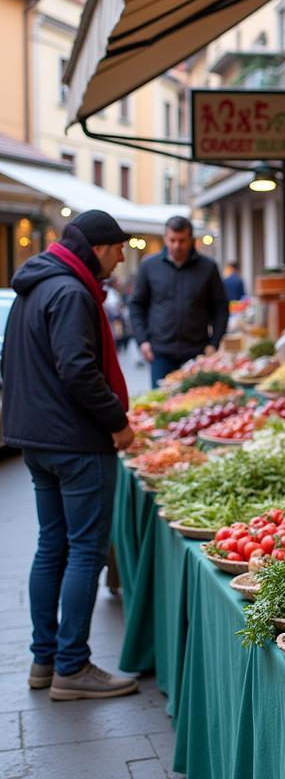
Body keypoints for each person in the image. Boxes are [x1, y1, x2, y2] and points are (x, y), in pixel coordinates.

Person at [1, 210, 139, 700]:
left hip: (37, 441)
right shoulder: (72, 292)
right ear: (98, 248)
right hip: (77, 443)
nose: (122, 257)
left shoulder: (34, 287)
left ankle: (45, 660)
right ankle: (73, 667)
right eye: (118, 247)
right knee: (84, 551)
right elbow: (79, 370)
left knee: (52, 547)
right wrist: (117, 423)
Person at [130, 216, 229, 386]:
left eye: (182, 241)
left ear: (191, 239)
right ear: (165, 239)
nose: (177, 246)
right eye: (172, 240)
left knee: (196, 405)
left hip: (197, 353)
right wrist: (142, 341)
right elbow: (136, 305)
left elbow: (220, 307)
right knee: (161, 405)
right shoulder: (149, 266)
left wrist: (214, 342)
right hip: (160, 353)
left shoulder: (208, 267)